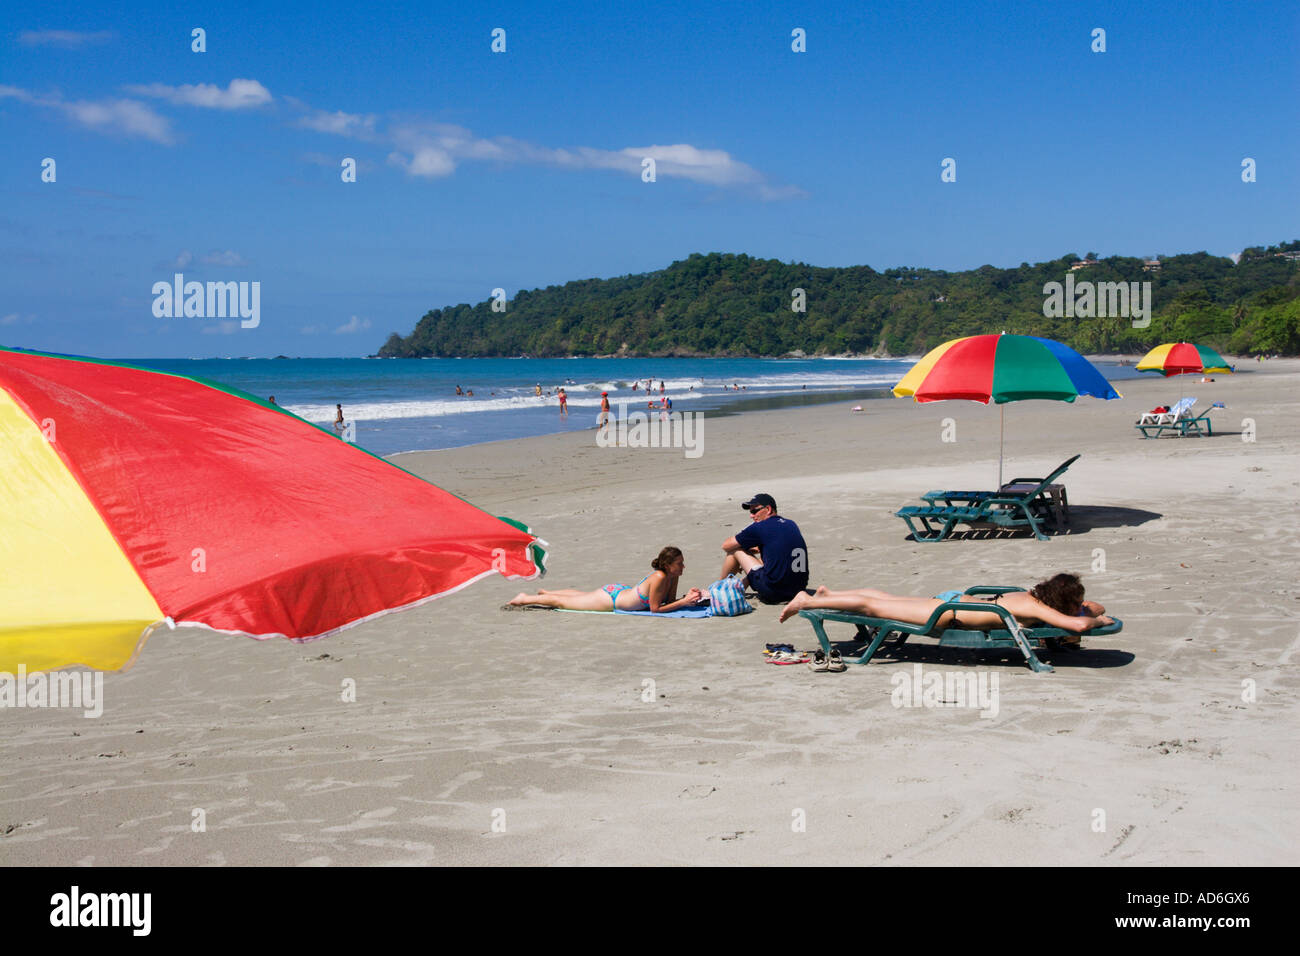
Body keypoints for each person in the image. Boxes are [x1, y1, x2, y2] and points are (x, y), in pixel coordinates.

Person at [778, 572, 1113, 639]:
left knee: (882, 598)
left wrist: (1091, 610)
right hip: (943, 617)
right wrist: (1095, 620)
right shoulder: (1040, 610)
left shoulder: (1032, 598)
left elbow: (1091, 607)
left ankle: (829, 592)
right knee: (872, 607)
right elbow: (1081, 624)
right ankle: (808, 599)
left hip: (951, 602)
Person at [507, 547, 706, 613]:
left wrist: (686, 598)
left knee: (583, 596)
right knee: (564, 603)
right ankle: (525, 598)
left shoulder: (671, 576)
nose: (683, 567)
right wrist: (684, 603)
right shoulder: (660, 577)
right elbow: (655, 609)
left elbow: (668, 602)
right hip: (610, 600)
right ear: (668, 565)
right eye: (679, 564)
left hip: (619, 592)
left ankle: (548, 593)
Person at [721, 494, 809, 604]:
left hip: (774, 593)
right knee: (768, 561)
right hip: (798, 591)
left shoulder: (760, 527)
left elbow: (726, 545)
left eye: (754, 511)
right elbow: (778, 547)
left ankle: (720, 590)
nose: (751, 516)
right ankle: (739, 587)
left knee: (735, 550)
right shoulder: (791, 524)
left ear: (768, 509)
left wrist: (744, 550)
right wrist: (757, 548)